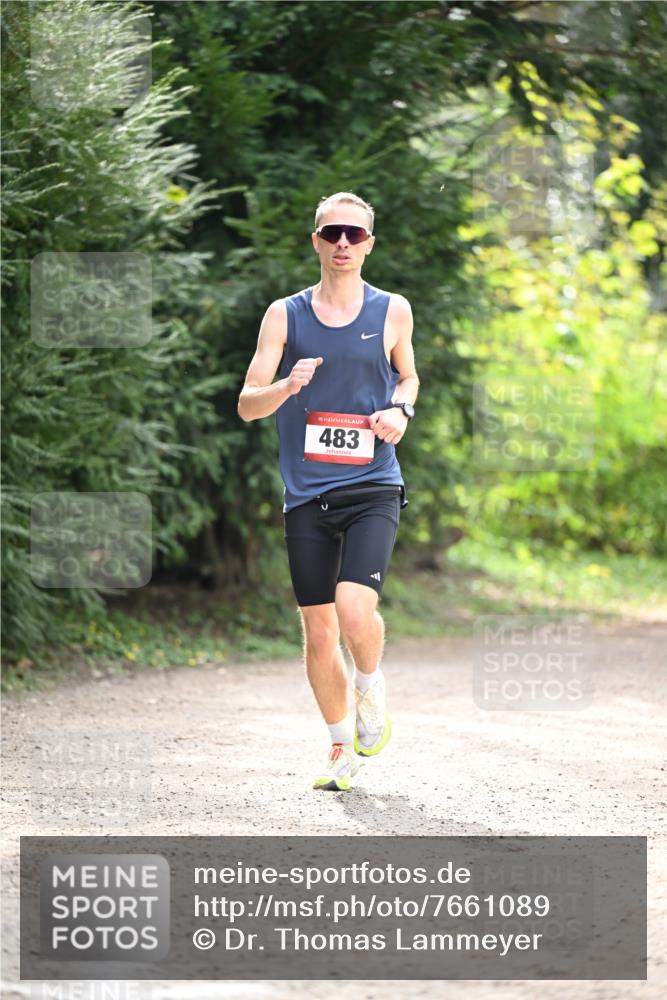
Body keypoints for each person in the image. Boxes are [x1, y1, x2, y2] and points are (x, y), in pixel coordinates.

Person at [237, 191, 419, 790]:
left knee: (352, 607)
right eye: (332, 233)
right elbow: (246, 404)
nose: (343, 243)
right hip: (307, 495)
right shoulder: (284, 316)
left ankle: (370, 686)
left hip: (372, 483)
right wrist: (288, 385)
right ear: (316, 240)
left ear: (369, 244)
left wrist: (401, 409)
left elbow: (409, 376)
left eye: (355, 235)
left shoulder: (392, 310)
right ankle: (341, 745)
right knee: (317, 628)